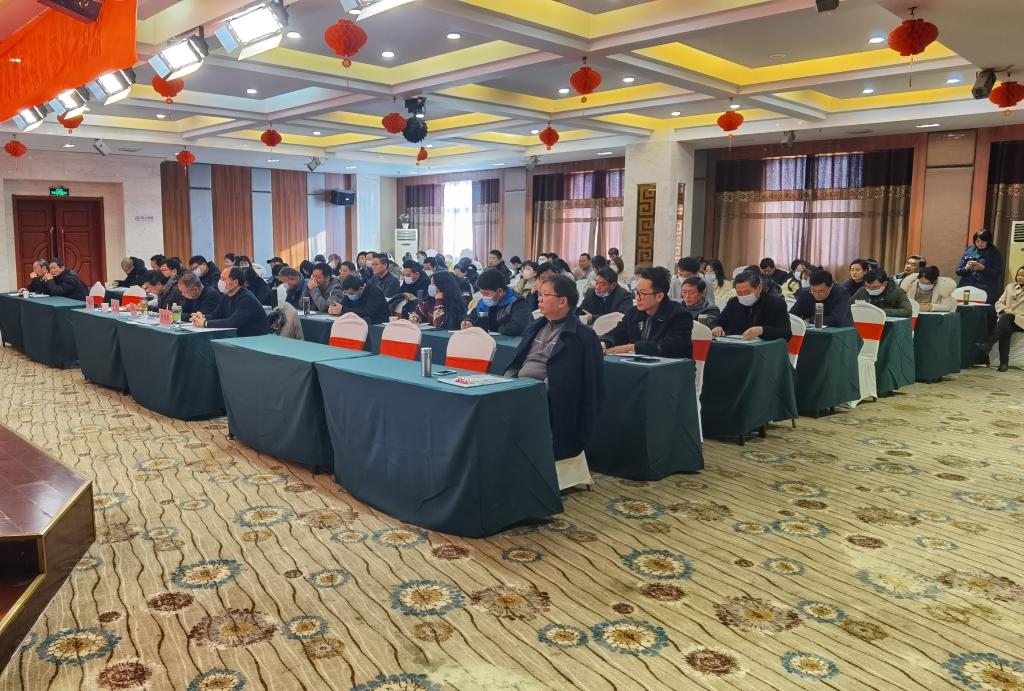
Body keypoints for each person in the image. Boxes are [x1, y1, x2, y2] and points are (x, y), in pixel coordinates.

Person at [505, 274, 604, 462]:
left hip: (548, 399)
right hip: (520, 389)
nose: (540, 299)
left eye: (545, 295)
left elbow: (578, 382)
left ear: (562, 301)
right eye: (540, 294)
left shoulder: (582, 336)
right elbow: (517, 361)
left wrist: (533, 392)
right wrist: (507, 382)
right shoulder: (536, 326)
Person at [600, 266, 693, 357]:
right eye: (636, 292)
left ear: (659, 296)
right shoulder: (633, 313)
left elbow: (669, 346)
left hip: (671, 365)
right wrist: (604, 343)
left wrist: (633, 348)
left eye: (642, 293)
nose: (637, 298)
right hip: (638, 364)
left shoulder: (679, 315)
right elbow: (618, 333)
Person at [190, 266, 271, 336]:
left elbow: (233, 322)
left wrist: (205, 323)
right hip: (239, 335)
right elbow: (216, 314)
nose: (220, 281)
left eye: (223, 279)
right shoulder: (226, 296)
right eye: (220, 278)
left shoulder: (246, 298)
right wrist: (201, 317)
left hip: (256, 337)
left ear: (234, 282)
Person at [713, 270, 792, 341]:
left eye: (747, 292)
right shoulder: (733, 303)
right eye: (739, 293)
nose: (743, 296)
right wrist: (716, 327)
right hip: (735, 346)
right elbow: (717, 322)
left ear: (759, 288)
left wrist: (762, 330)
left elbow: (786, 334)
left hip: (764, 349)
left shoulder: (776, 304)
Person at [976, 266, 1024, 372]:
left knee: (1006, 319)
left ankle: (989, 343)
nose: (1020, 277)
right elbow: (999, 303)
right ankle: (1003, 365)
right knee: (1006, 329)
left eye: (1023, 275)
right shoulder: (1010, 287)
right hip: (1008, 319)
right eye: (1018, 275)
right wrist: (1007, 311)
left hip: (1021, 321)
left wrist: (1011, 313)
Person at [464, 267, 532, 336]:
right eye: (482, 294)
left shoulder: (518, 303)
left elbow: (517, 328)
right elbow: (472, 315)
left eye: (486, 294)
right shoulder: (483, 302)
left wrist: (491, 329)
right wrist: (469, 321)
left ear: (500, 291)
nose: (484, 297)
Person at [789, 269, 853, 327]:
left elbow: (836, 319)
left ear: (830, 287)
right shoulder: (805, 293)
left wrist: (809, 320)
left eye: (821, 291)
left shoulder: (841, 293)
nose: (817, 295)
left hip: (838, 331)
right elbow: (792, 315)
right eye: (814, 290)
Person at [956, 228, 1004, 304]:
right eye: (977, 241)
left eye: (983, 241)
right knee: (964, 308)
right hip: (967, 287)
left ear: (988, 241)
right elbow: (958, 271)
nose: (980, 243)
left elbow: (998, 272)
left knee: (979, 310)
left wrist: (983, 268)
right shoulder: (969, 250)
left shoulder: (995, 253)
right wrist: (966, 268)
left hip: (985, 290)